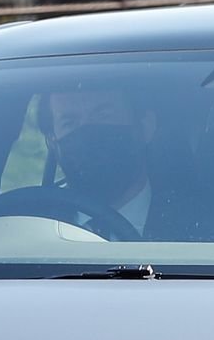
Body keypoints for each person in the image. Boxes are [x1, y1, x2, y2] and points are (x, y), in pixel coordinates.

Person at [39, 89, 157, 236]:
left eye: (103, 116)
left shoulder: (191, 225)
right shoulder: (32, 226)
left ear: (146, 126)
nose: (87, 134)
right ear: (52, 143)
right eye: (69, 123)